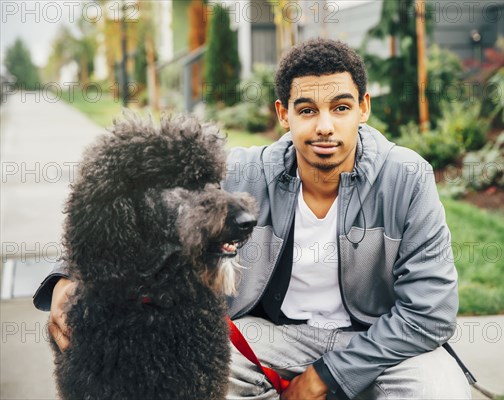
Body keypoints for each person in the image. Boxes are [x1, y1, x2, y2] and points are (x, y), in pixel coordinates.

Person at [34, 38, 472, 399]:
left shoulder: (408, 177)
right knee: (195, 379)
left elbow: (430, 313)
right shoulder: (243, 171)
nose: (325, 126)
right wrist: (66, 278)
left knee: (440, 393)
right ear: (284, 114)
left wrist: (326, 377)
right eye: (307, 110)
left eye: (340, 108)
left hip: (381, 340)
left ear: (364, 108)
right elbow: (133, 200)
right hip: (269, 333)